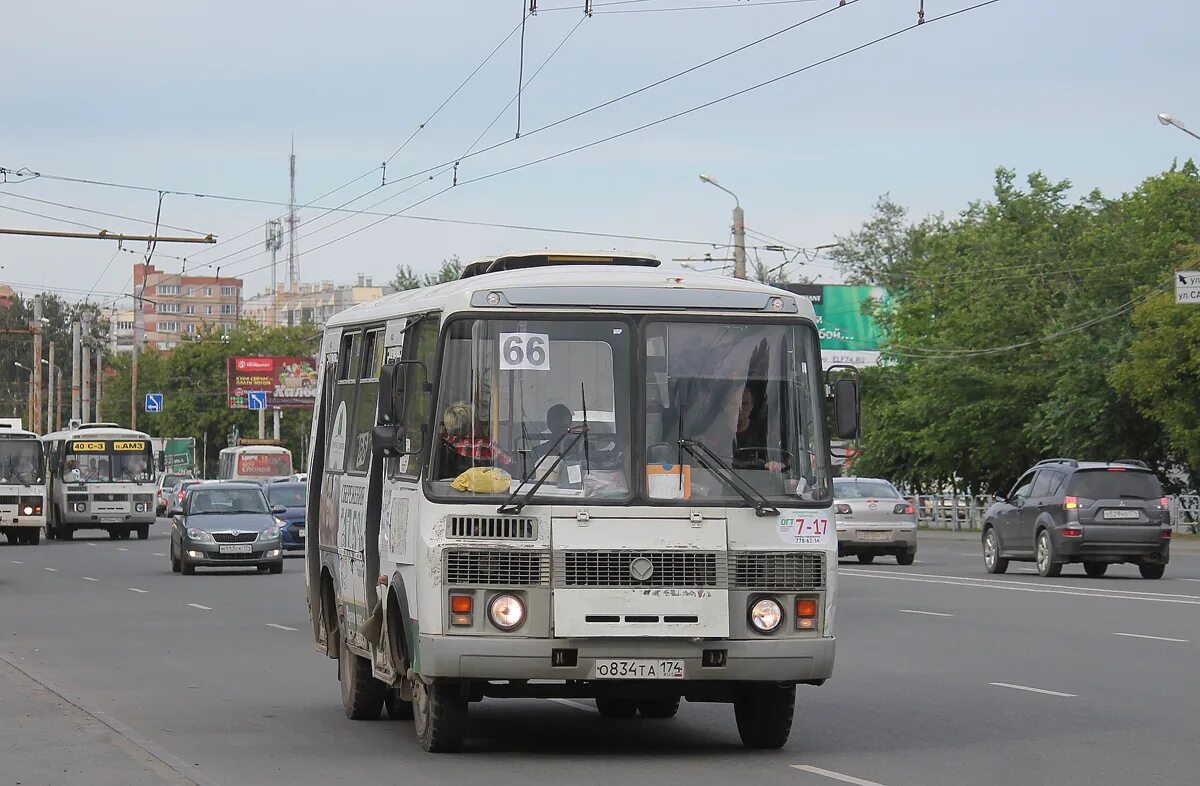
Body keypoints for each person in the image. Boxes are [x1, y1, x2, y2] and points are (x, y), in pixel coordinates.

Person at [437, 400, 513, 479]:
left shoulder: (442, 445)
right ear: (473, 427)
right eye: (478, 421)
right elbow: (511, 467)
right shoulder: (487, 447)